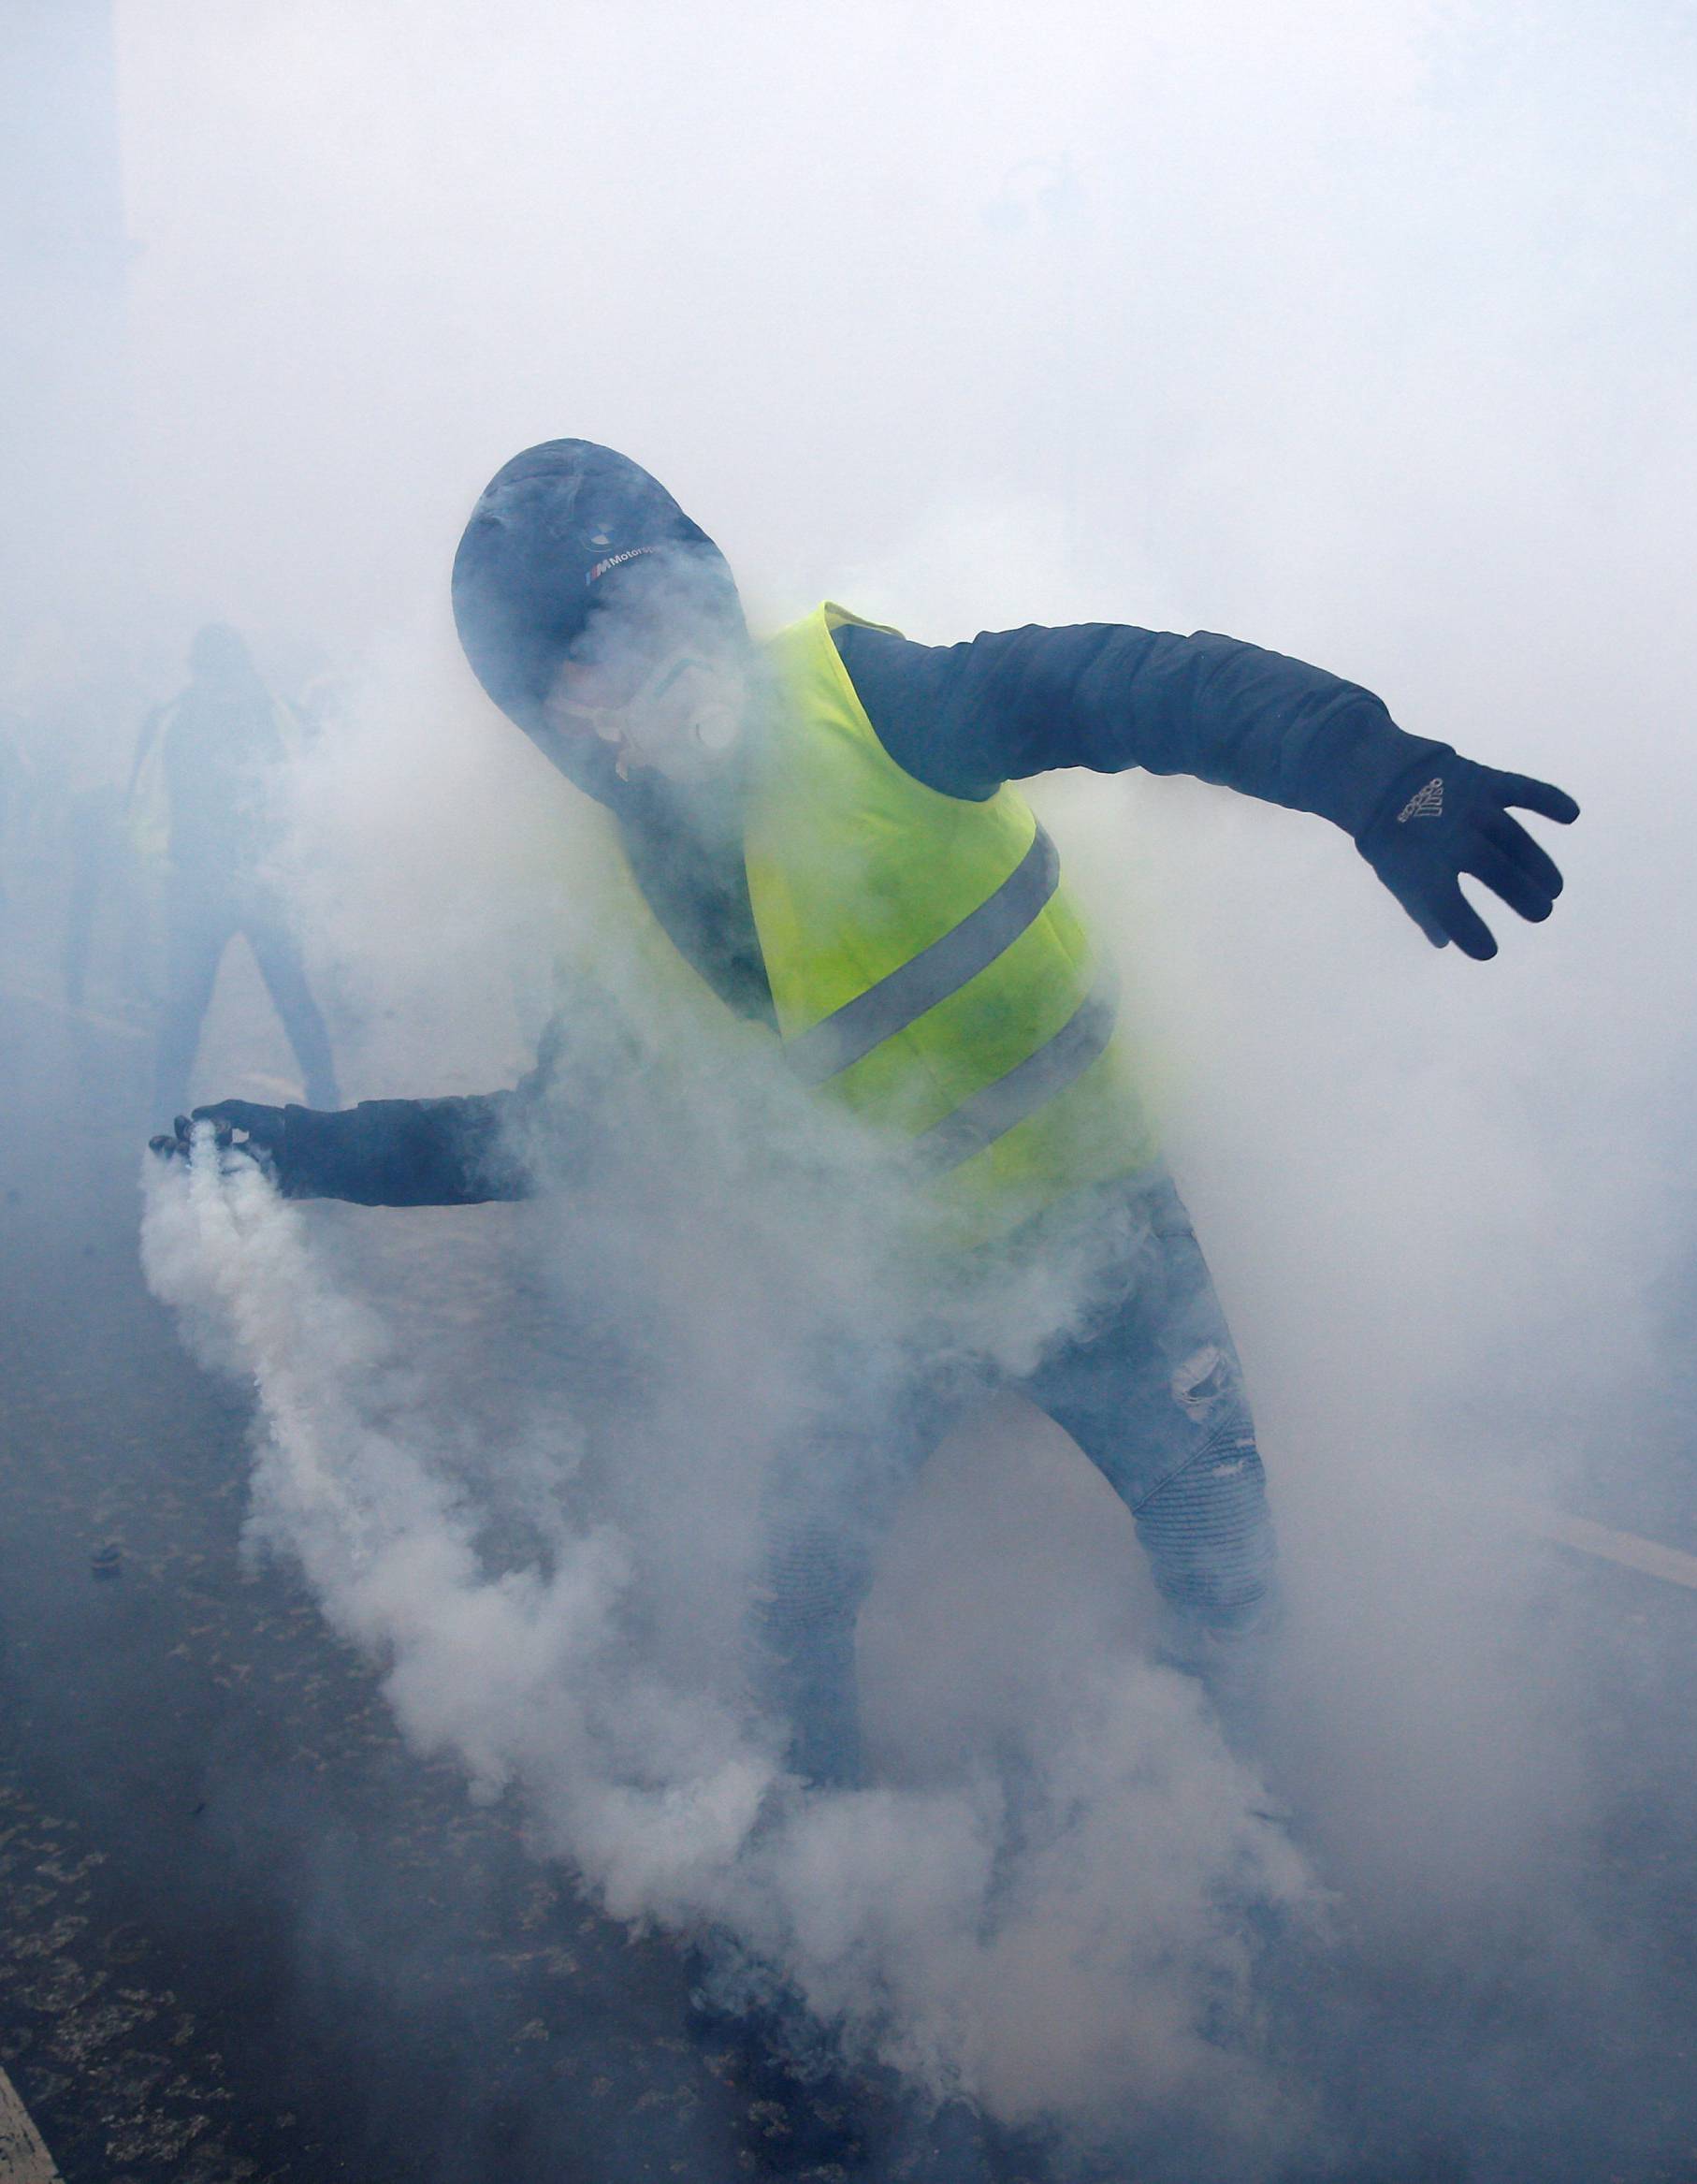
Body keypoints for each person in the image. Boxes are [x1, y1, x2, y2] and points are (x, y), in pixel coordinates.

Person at [154, 441, 1577, 1787]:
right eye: (578, 663)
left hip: (1112, 1243)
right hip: (890, 1296)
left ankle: (1235, 1872)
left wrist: (1375, 771)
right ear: (550, 721)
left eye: (655, 608)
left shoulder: (871, 698)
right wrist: (296, 1150)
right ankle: (818, 1940)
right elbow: (552, 1138)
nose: (639, 671)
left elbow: (1142, 687)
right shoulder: (621, 912)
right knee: (794, 1607)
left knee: (1226, 1568)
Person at [131, 624, 341, 1120]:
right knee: (288, 999)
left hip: (212, 886)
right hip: (241, 883)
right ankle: (327, 1100)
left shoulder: (179, 719)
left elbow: (141, 805)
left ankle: (166, 1111)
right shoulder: (273, 712)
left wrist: (165, 867)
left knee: (187, 1006)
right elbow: (321, 784)